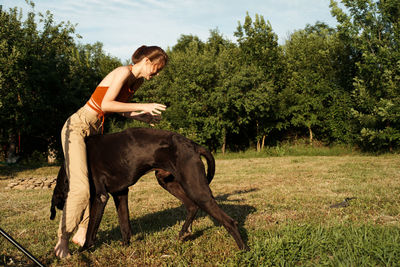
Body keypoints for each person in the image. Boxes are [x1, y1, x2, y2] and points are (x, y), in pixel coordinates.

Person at [54, 45, 168, 258]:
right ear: (145, 61)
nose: (157, 73)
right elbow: (106, 104)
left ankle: (83, 230)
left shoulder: (137, 81)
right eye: (156, 68)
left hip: (95, 129)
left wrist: (140, 116)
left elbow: (119, 108)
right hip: (77, 127)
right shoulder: (123, 72)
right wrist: (144, 105)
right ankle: (62, 239)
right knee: (81, 188)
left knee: (95, 188)